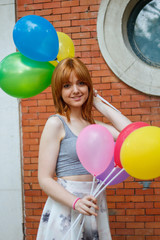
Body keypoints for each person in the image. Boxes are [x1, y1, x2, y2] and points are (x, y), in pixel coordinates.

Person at [36, 57, 131, 240]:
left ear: (88, 86)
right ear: (59, 91)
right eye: (67, 86)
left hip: (94, 203)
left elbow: (131, 134)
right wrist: (75, 202)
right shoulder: (56, 123)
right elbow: (44, 179)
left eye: (80, 83)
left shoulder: (94, 127)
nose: (75, 90)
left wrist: (98, 103)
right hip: (67, 206)